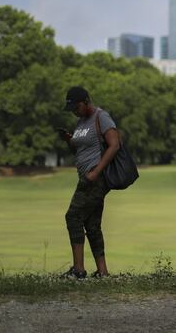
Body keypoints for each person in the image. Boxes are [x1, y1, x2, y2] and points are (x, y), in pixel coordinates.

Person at [58, 86, 121, 279]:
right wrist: (69, 140)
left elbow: (114, 144)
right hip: (86, 177)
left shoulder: (101, 117)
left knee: (73, 217)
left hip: (95, 179)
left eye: (76, 107)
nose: (74, 112)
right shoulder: (80, 122)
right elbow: (79, 152)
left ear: (85, 101)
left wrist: (96, 171)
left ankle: (78, 270)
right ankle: (102, 272)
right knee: (92, 224)